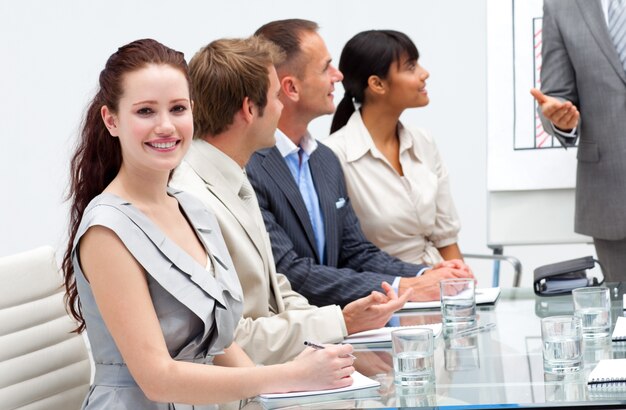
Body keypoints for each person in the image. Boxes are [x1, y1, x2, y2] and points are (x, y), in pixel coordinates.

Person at [61, 38, 355, 409]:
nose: (166, 126)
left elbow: (221, 341)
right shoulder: (106, 231)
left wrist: (262, 400)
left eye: (178, 108)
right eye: (146, 111)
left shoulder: (192, 208)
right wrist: (290, 376)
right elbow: (157, 379)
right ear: (112, 120)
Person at [170, 36, 411, 365]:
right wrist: (340, 323)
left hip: (273, 367)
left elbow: (278, 291)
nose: (281, 107)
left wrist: (335, 328)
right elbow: (227, 338)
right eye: (275, 98)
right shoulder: (190, 198)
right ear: (249, 109)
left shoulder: (233, 176)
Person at [247, 19, 473, 309]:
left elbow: (354, 251)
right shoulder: (251, 165)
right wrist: (407, 285)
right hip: (296, 332)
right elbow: (290, 271)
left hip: (346, 323)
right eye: (325, 67)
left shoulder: (322, 159)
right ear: (291, 88)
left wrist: (424, 274)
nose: (337, 76)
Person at [326, 30, 464, 267]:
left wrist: (464, 290)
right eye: (411, 67)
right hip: (382, 290)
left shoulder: (423, 141)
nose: (424, 74)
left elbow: (446, 239)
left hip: (436, 281)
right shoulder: (333, 155)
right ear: (377, 84)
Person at [530, 0, 626, 282]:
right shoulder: (562, 7)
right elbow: (556, 94)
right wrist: (559, 119)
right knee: (621, 314)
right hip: (612, 194)